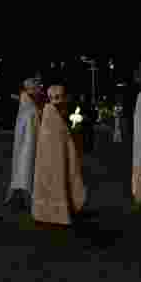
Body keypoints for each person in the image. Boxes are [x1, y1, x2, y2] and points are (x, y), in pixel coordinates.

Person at [31, 85, 88, 227]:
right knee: (58, 180)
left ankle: (47, 211)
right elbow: (62, 138)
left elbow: (65, 137)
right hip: (55, 161)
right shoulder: (51, 115)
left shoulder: (50, 114)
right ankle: (56, 212)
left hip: (52, 161)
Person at [6, 78, 42, 212]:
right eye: (37, 88)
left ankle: (20, 198)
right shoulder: (28, 105)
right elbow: (31, 125)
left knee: (23, 169)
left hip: (26, 143)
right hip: (27, 144)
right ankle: (23, 199)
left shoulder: (27, 103)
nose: (39, 90)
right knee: (26, 169)